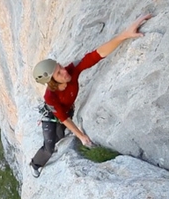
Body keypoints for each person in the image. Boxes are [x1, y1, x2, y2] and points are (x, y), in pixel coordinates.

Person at [29, 14, 153, 178]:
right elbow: (64, 118)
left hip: (65, 111)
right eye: (59, 73)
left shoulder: (71, 70)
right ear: (51, 81)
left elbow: (96, 55)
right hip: (53, 115)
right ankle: (35, 164)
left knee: (59, 135)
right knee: (49, 147)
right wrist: (81, 136)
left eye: (61, 67)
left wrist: (124, 35)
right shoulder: (50, 97)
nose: (64, 71)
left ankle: (57, 136)